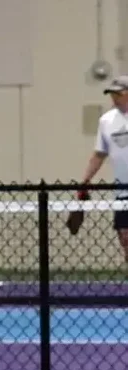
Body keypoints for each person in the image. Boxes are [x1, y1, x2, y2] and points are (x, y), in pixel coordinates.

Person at [72, 74, 128, 262]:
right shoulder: (106, 121)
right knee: (125, 238)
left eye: (118, 94)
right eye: (112, 94)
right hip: (122, 192)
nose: (114, 98)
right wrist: (85, 182)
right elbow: (99, 154)